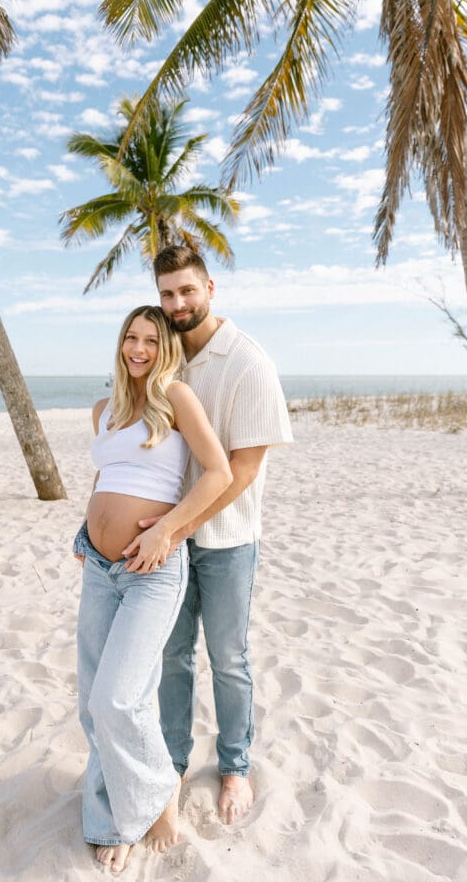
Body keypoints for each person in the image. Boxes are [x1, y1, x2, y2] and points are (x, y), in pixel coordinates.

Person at [122, 247, 293, 826]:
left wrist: (176, 526)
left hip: (225, 540)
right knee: (171, 657)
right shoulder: (165, 358)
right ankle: (172, 765)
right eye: (167, 294)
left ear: (210, 288)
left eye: (186, 292)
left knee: (229, 659)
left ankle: (235, 766)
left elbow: (242, 470)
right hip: (167, 540)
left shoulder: (248, 362)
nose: (176, 304)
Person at [73, 304, 232, 874]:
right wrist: (85, 529)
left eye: (149, 339)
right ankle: (110, 820)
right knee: (93, 703)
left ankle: (159, 793)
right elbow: (107, 477)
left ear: (164, 347)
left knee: (119, 697)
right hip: (98, 567)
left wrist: (166, 530)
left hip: (153, 570)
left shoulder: (176, 397)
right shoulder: (105, 410)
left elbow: (219, 473)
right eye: (130, 338)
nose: (138, 349)